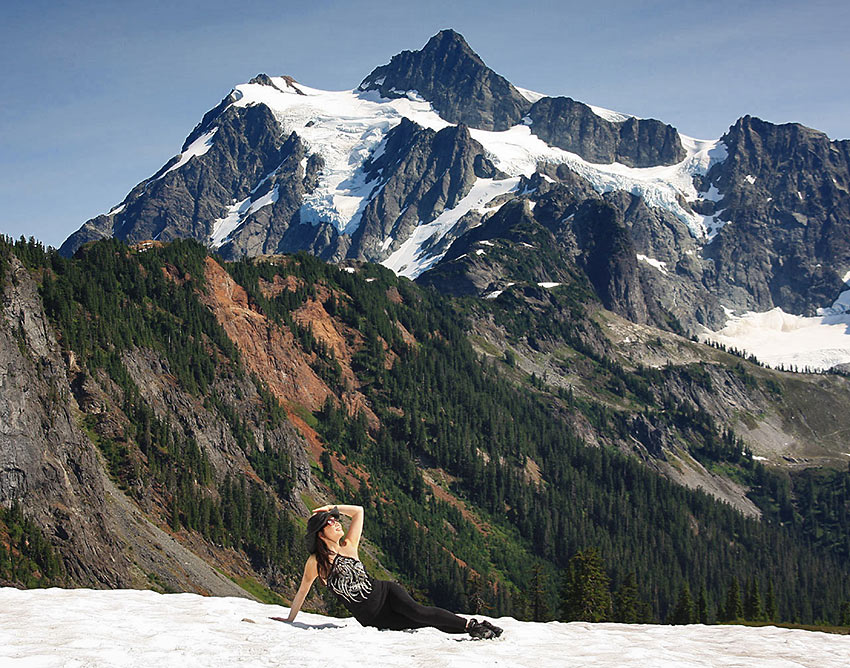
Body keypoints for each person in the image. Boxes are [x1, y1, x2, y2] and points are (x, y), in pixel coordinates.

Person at [282, 503, 502, 639]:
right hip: (373, 617)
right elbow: (302, 591)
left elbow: (359, 511)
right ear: (321, 534)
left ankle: (472, 626)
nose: (337, 523)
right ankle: (478, 628)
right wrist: (289, 620)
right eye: (330, 522)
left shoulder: (349, 545)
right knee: (422, 622)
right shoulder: (316, 563)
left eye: (336, 520)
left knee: (419, 612)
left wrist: (333, 508)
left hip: (386, 593)